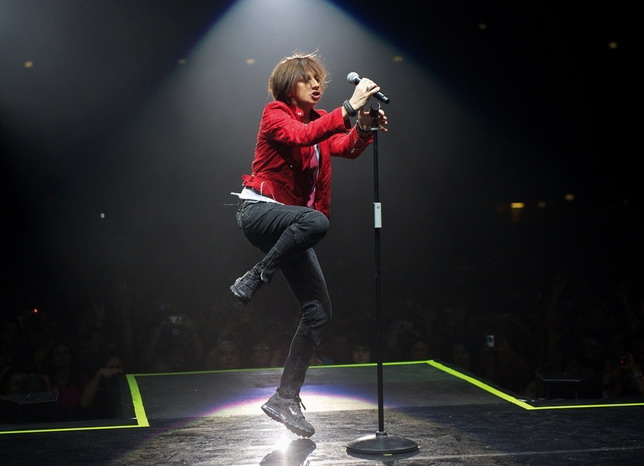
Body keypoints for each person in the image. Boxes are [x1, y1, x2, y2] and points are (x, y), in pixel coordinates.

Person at [229, 51, 388, 437]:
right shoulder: (275, 114)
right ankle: (257, 275)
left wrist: (363, 125)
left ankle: (284, 398)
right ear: (289, 85)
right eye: (308, 79)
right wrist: (349, 107)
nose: (317, 85)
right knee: (317, 220)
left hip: (292, 225)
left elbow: (345, 146)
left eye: (319, 79)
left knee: (318, 311)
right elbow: (302, 136)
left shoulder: (320, 121)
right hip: (260, 211)